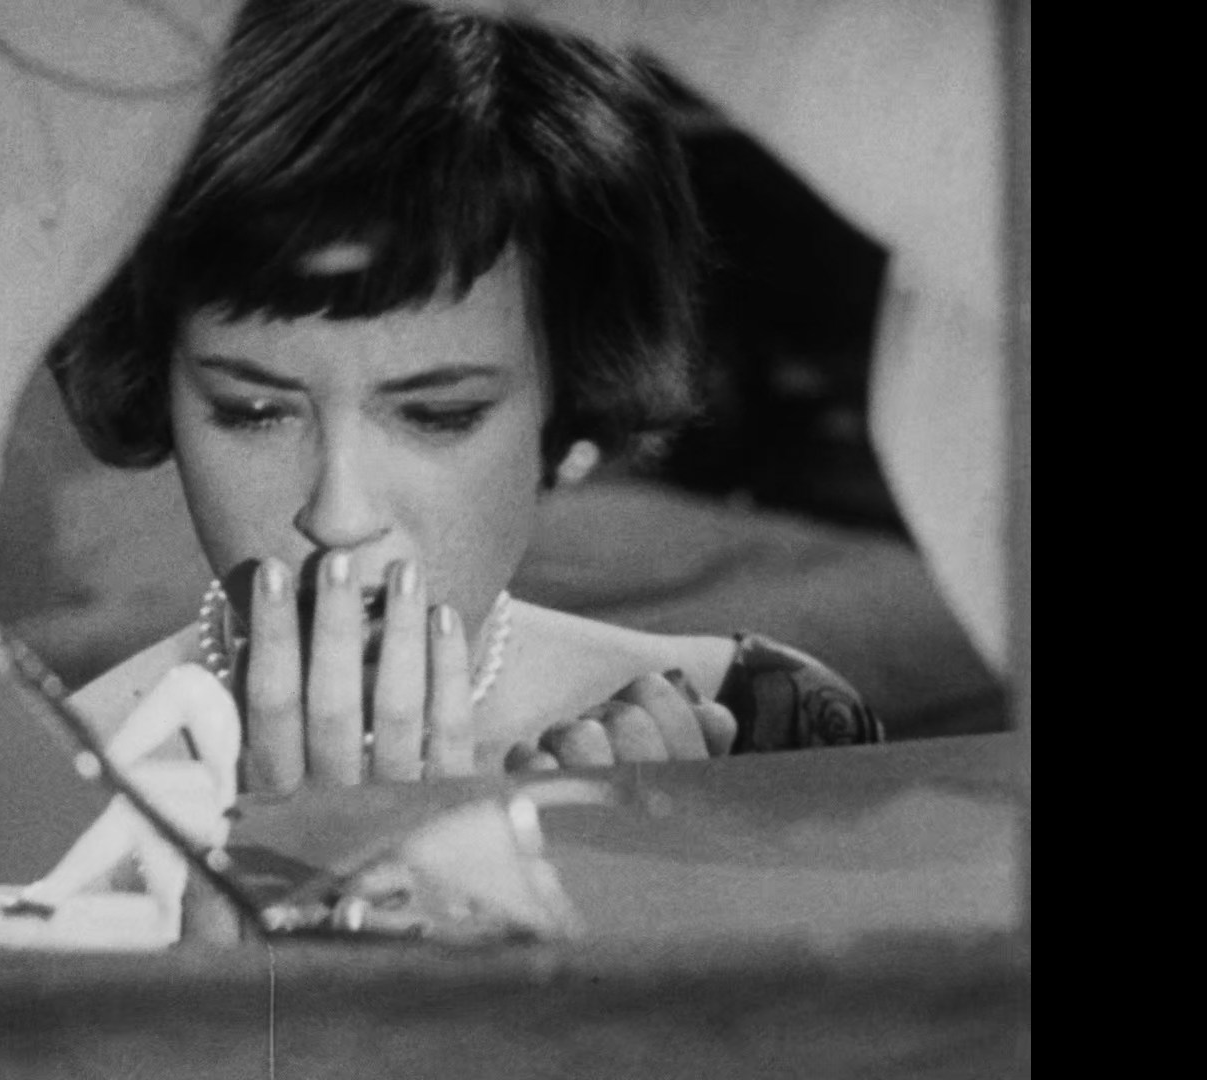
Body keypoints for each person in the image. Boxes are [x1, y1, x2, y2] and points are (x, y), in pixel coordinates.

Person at [45, 0, 881, 794]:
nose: (338, 517)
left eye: (438, 415)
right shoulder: (40, 811)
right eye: (252, 411)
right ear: (161, 384)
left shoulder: (762, 729)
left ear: (565, 394)